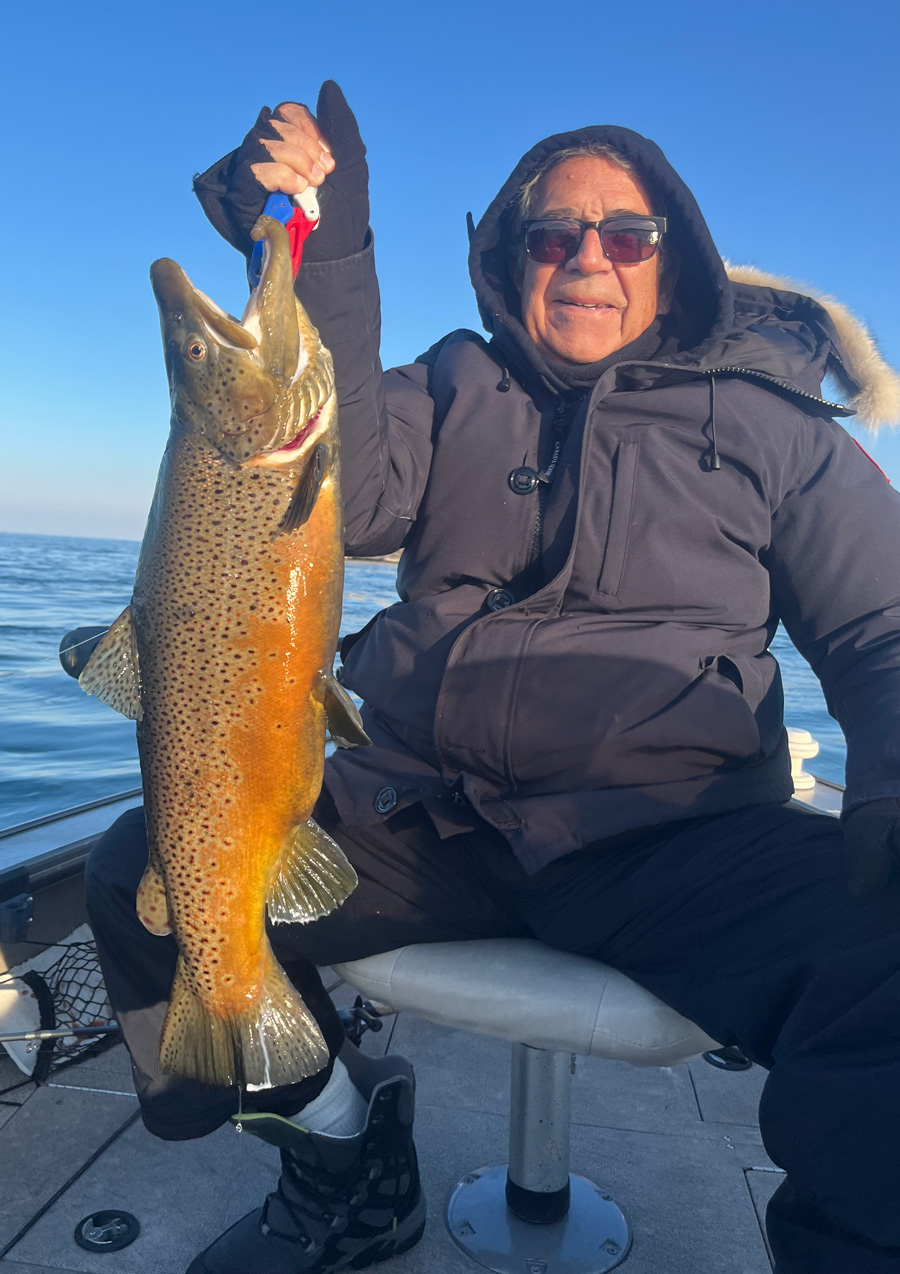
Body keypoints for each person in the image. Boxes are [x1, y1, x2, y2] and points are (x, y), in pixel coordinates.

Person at [83, 82, 900, 1274]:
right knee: (138, 877)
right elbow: (343, 493)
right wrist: (325, 228)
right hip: (427, 808)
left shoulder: (782, 426)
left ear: (675, 258)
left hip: (667, 835)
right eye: (549, 234)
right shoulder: (453, 381)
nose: (587, 260)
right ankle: (344, 1155)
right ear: (508, 258)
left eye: (625, 235)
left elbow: (884, 627)